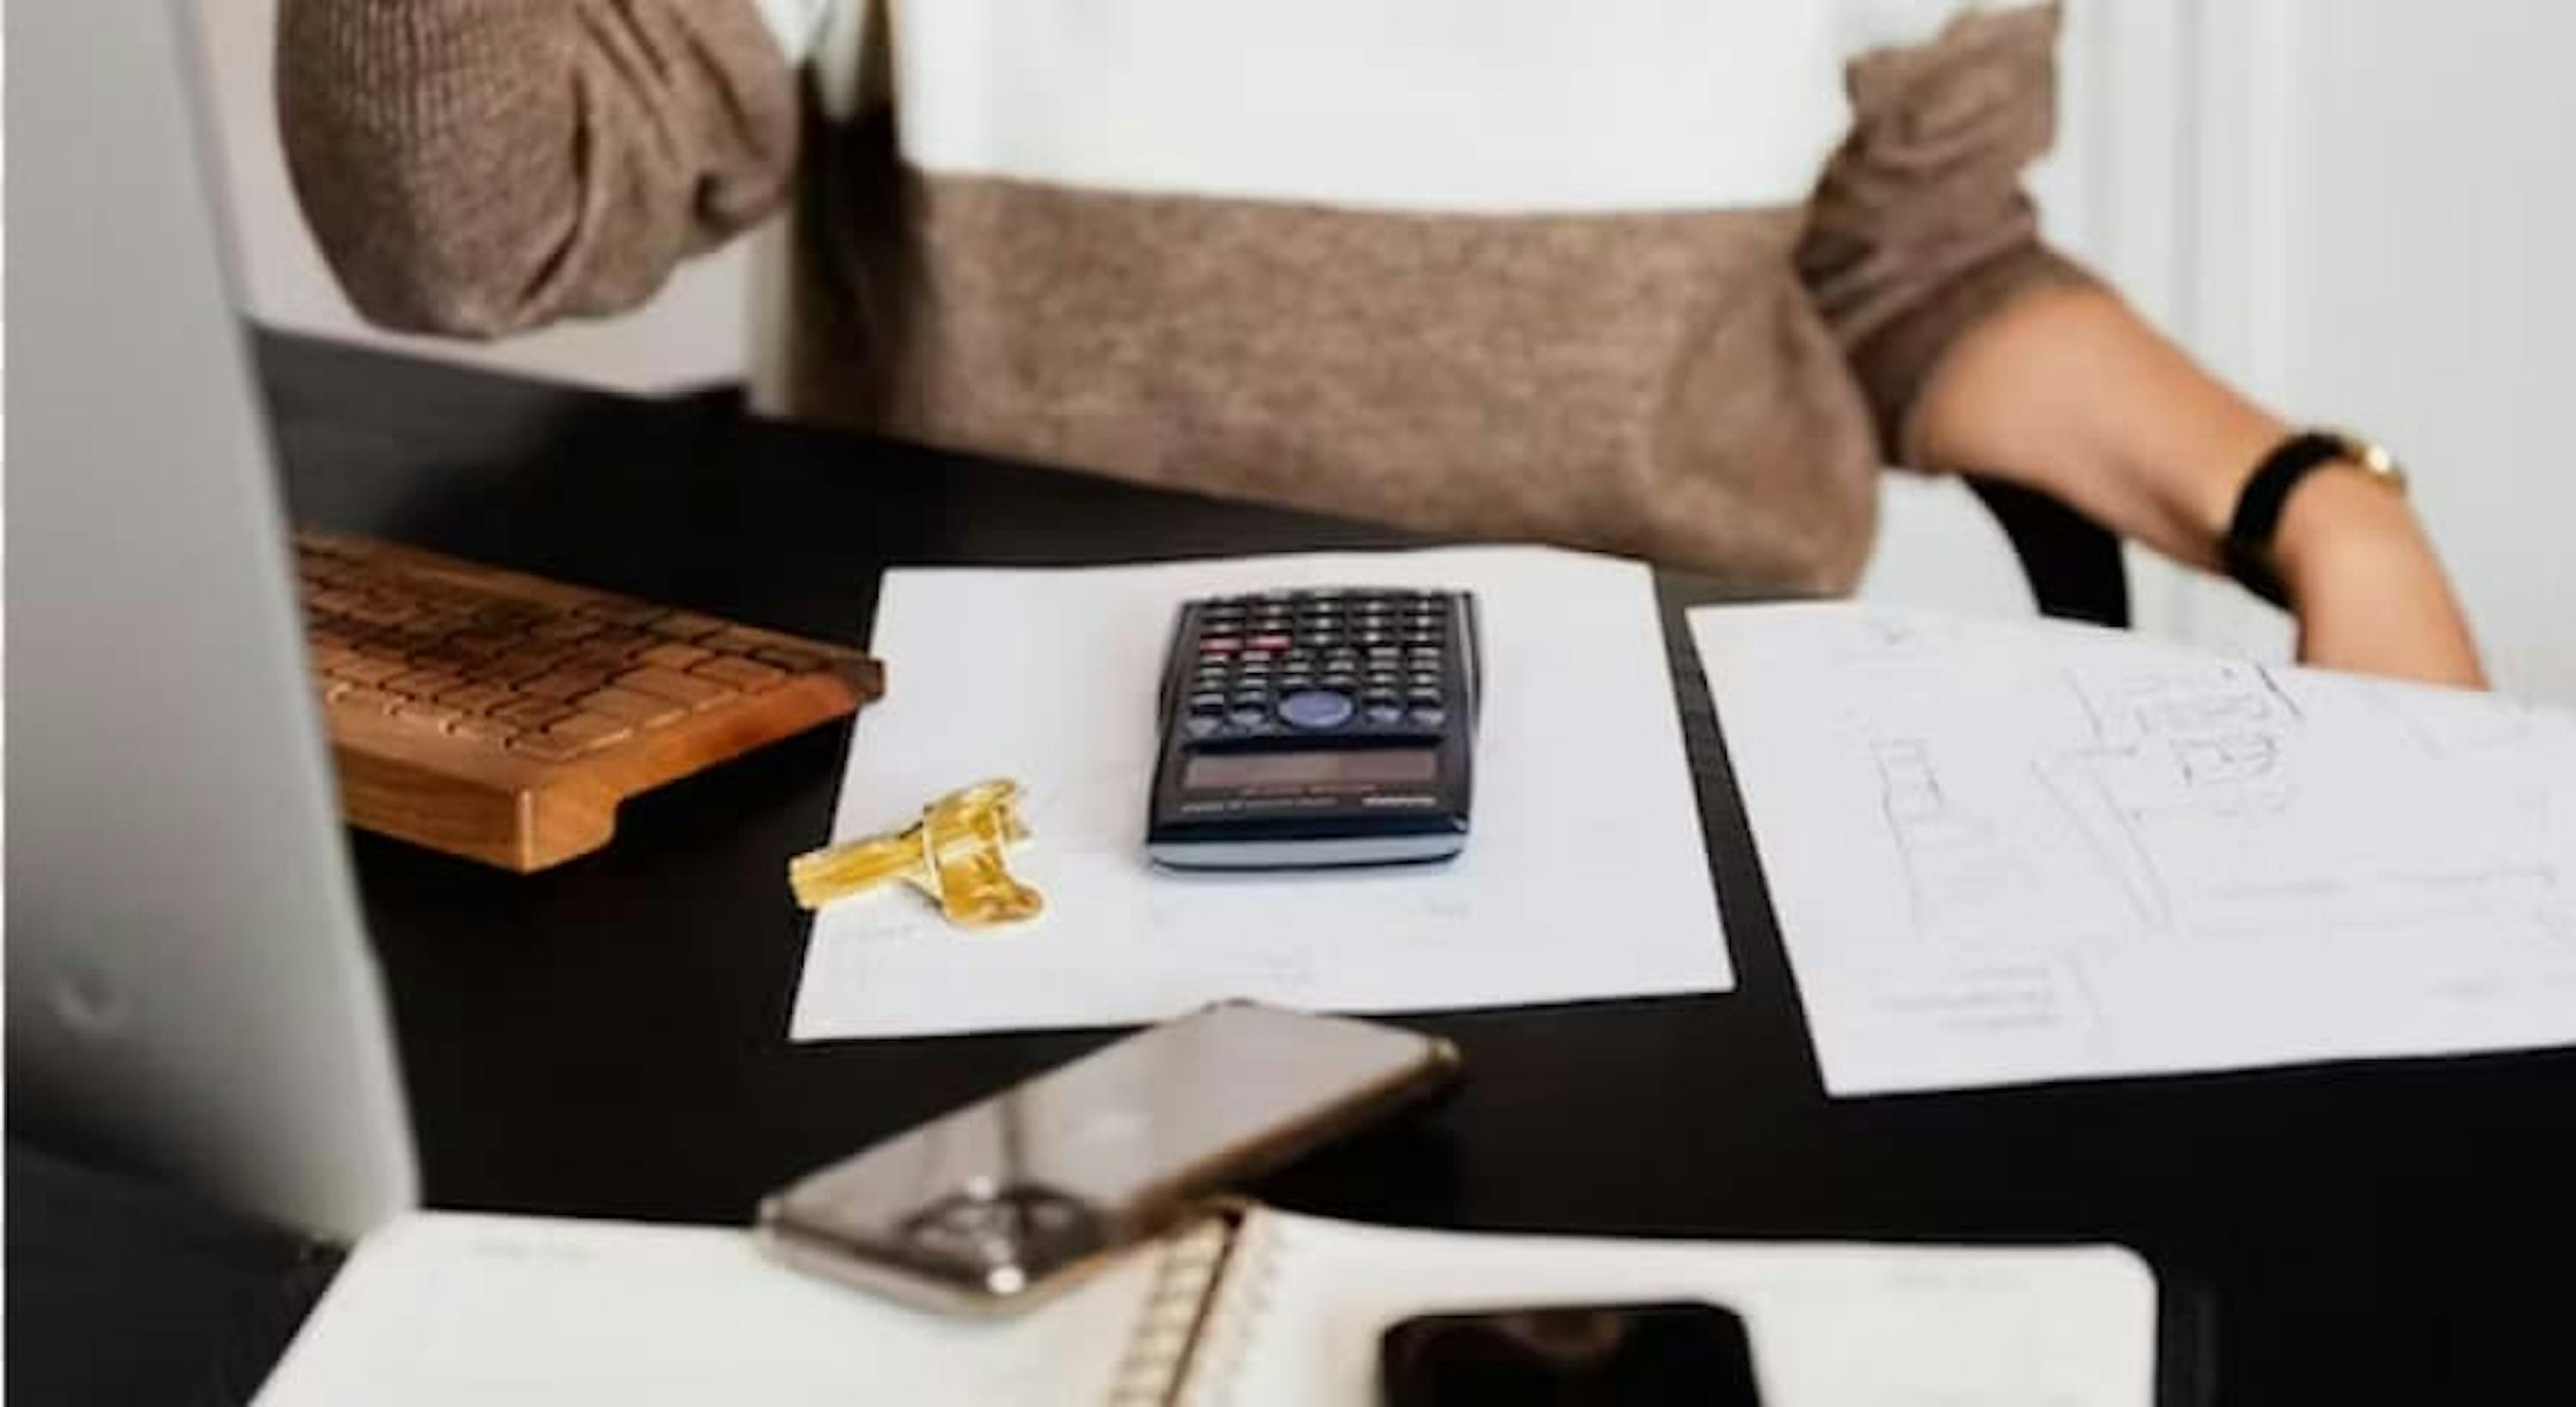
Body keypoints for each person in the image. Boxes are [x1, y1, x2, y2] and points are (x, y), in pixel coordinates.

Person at [276, 0, 2484, 686]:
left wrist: (2324, 516)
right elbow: (485, 232)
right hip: (989, 781)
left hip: (1692, 757)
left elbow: (1908, 268)